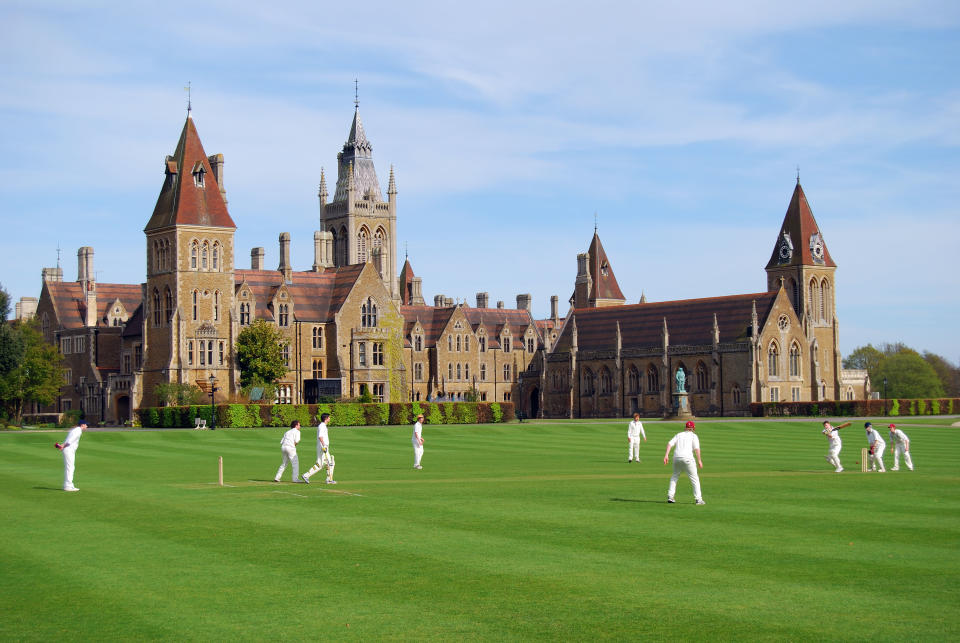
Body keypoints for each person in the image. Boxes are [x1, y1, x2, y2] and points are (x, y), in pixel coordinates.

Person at [663, 420, 704, 505]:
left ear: (686, 427)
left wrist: (666, 455)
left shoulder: (679, 434)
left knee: (674, 477)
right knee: (695, 479)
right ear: (693, 428)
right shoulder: (694, 436)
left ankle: (670, 496)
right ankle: (698, 499)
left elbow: (669, 444)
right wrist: (699, 460)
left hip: (676, 458)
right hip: (688, 458)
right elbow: (697, 449)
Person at [301, 413, 336, 484]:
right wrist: (324, 446)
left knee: (320, 465)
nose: (329, 419)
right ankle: (329, 479)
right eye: (329, 417)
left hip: (322, 447)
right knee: (330, 463)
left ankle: (306, 475)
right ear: (326, 418)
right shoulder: (322, 426)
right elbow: (320, 437)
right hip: (323, 447)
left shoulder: (323, 426)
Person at [54, 419, 87, 492]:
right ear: (82, 425)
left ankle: (69, 485)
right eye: (86, 425)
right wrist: (63, 445)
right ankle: (68, 486)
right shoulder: (78, 431)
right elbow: (70, 440)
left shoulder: (76, 430)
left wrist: (63, 446)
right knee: (70, 467)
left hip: (69, 450)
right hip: (69, 450)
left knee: (70, 467)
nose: (87, 426)